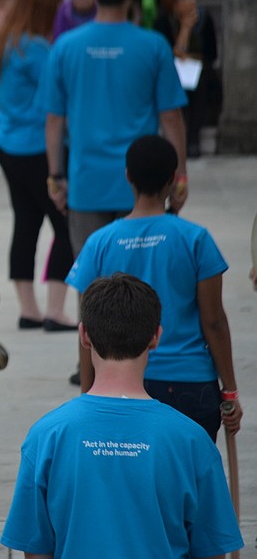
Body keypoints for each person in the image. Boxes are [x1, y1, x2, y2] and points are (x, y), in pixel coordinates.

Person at [1, 273, 244, 558]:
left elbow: (35, 549)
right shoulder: (192, 441)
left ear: (84, 335)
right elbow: (212, 550)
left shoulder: (46, 436)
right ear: (156, 337)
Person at [40, 0, 189, 384]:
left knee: (89, 280)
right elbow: (171, 116)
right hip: (142, 184)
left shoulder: (66, 46)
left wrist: (55, 175)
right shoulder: (153, 45)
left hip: (86, 180)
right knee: (142, 278)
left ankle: (89, 367)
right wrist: (179, 176)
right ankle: (142, 358)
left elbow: (54, 120)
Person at [65, 135, 242, 441]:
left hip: (122, 382)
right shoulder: (196, 239)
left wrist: (86, 394)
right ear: (173, 179)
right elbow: (214, 321)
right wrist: (229, 390)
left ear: (127, 176)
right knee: (189, 468)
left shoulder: (99, 243)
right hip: (191, 382)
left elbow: (88, 328)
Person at [0, 0, 75, 331]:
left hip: (7, 143)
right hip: (38, 147)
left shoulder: (2, 44)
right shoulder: (36, 49)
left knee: (26, 222)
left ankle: (29, 309)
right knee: (65, 224)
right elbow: (59, 96)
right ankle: (55, 309)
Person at [153, 0, 219, 158]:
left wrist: (190, 58)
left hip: (199, 70)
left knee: (201, 83)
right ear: (174, 4)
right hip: (172, 71)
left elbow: (212, 54)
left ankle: (193, 139)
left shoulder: (205, 20)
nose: (191, 3)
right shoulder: (163, 22)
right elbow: (167, 55)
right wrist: (185, 29)